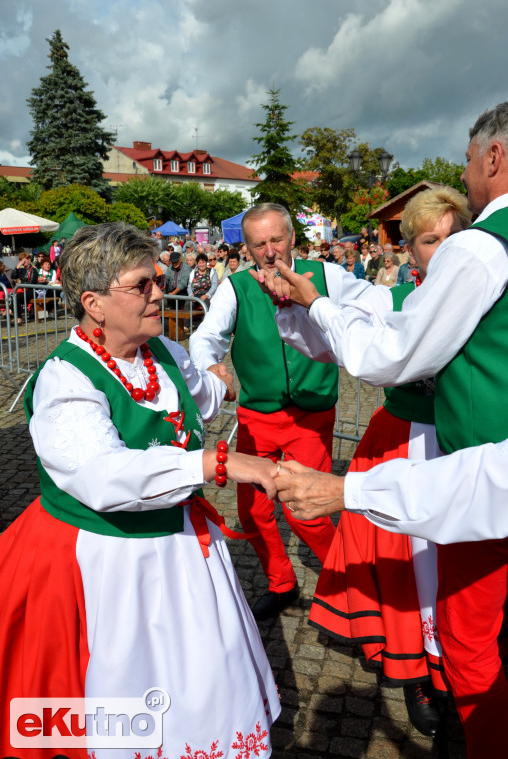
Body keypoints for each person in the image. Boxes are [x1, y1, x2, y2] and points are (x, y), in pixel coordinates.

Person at [252, 103, 508, 759]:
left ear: (494, 159)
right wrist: (311, 307)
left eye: (468, 160)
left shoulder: (483, 247)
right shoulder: (410, 285)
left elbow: (391, 354)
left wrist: (316, 306)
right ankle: (425, 676)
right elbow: (375, 321)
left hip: (470, 467)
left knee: (466, 630)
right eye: (427, 240)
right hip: (442, 459)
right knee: (430, 592)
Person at [0, 222, 281, 759]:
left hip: (180, 548)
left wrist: (225, 377)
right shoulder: (66, 379)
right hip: (107, 563)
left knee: (202, 671)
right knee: (124, 682)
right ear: (94, 303)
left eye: (157, 279)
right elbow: (104, 475)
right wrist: (215, 461)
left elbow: (200, 395)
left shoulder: (165, 353)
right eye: (142, 285)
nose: (160, 292)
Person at [309, 187, 471, 738]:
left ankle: (461, 662)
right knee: (415, 564)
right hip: (403, 439)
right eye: (430, 240)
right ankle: (420, 668)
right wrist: (301, 295)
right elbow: (329, 335)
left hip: (464, 443)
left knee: (461, 563)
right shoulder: (394, 300)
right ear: (410, 251)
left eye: (452, 236)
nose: (443, 248)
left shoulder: (486, 292)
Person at [190, 203, 381, 621]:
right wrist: (209, 365)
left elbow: (379, 308)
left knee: (307, 513)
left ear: (292, 238)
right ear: (247, 247)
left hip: (311, 416)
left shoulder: (327, 275)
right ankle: (282, 583)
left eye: (277, 239)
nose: (270, 251)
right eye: (259, 244)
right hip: (257, 417)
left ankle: (359, 590)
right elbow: (207, 334)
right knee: (253, 512)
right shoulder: (236, 286)